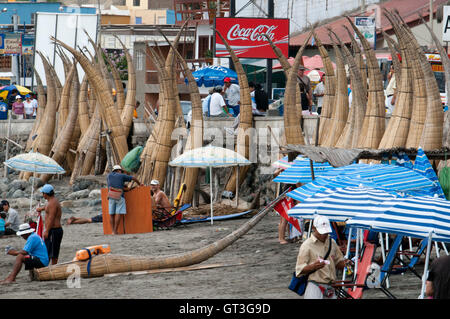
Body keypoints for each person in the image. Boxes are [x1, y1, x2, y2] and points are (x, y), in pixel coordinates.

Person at [295, 215, 348, 299]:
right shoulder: (306, 246)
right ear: (313, 228)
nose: (324, 235)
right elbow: (299, 270)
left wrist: (347, 263)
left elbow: (338, 263)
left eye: (326, 232)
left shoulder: (332, 242)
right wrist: (312, 266)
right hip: (315, 285)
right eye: (322, 232)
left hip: (331, 286)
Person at [107, 164, 141, 235]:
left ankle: (113, 231)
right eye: (121, 171)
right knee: (118, 213)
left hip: (110, 195)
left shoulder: (109, 176)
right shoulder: (121, 175)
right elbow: (133, 178)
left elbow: (115, 184)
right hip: (119, 196)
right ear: (119, 170)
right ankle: (116, 231)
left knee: (111, 214)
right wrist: (139, 184)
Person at [36, 184, 63, 265]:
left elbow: (51, 218)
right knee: (48, 250)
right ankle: (48, 268)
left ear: (46, 194)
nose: (42, 195)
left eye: (43, 193)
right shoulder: (51, 201)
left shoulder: (52, 203)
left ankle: (53, 268)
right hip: (52, 229)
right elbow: (47, 207)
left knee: (53, 252)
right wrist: (41, 209)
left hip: (54, 230)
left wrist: (47, 231)